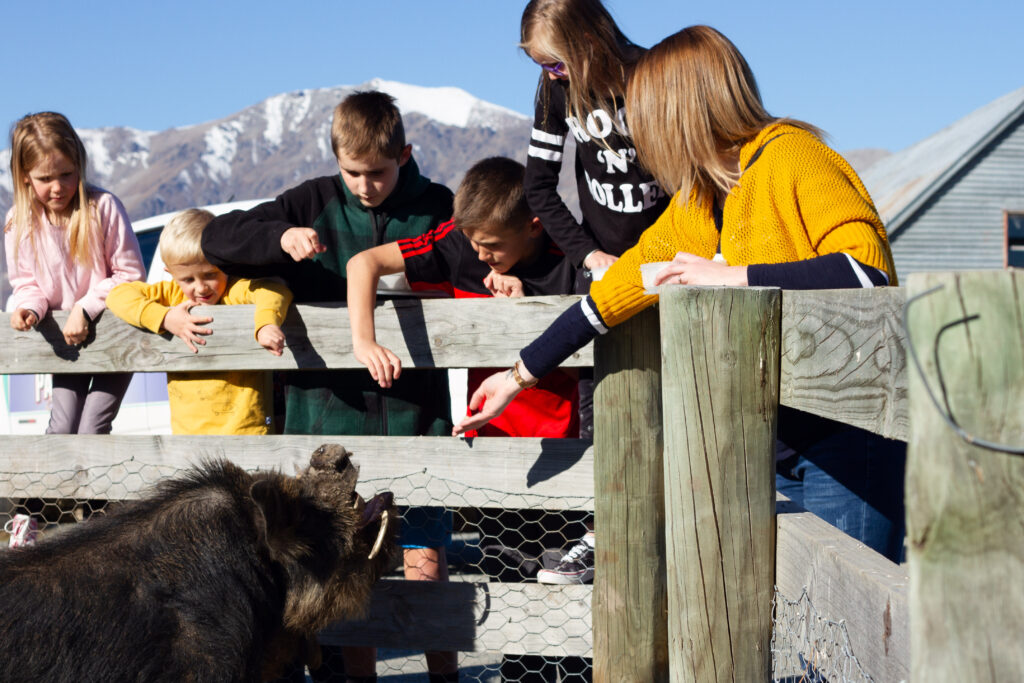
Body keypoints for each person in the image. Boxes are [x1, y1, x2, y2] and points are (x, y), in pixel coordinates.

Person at [454, 25, 906, 565]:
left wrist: (732, 278)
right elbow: (611, 297)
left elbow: (866, 274)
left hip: (845, 443)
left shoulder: (794, 159)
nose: (638, 136)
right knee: (795, 633)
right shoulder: (699, 201)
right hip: (772, 441)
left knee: (845, 629)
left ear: (683, 111)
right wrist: (516, 377)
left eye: (645, 117)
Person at [201, 91, 455, 683]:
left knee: (426, 561)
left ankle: (447, 674)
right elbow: (219, 238)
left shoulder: (439, 204)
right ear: (336, 160)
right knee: (349, 568)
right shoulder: (310, 201)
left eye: (380, 172)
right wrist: (281, 238)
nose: (365, 185)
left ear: (406, 155)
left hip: (418, 416)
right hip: (332, 423)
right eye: (353, 173)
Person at [348, 156, 583, 683]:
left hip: (568, 452)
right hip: (495, 451)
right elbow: (363, 264)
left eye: (494, 248)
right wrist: (363, 340)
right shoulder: (461, 242)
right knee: (509, 590)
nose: (480, 256)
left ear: (534, 225)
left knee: (568, 600)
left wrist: (534, 307)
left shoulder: (573, 255)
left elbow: (597, 311)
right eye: (473, 244)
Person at [520, 0, 672, 589]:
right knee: (606, 414)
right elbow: (538, 186)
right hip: (603, 278)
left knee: (675, 404)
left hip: (670, 268)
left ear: (590, 37)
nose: (551, 76)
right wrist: (588, 255)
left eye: (558, 64)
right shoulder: (553, 93)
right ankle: (609, 535)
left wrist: (661, 258)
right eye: (542, 67)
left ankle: (672, 538)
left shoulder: (653, 74)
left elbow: (689, 178)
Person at [4, 111, 145, 434]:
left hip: (115, 335)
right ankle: (60, 487)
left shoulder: (102, 207)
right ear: (25, 176)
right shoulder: (19, 221)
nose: (58, 187)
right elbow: (26, 282)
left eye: (67, 174)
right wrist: (29, 308)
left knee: (92, 428)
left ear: (79, 165)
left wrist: (84, 307)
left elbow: (130, 274)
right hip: (67, 343)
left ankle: (93, 487)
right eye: (44, 179)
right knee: (62, 428)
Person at [106, 209, 292, 434]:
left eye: (210, 275)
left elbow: (273, 290)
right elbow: (118, 295)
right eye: (188, 279)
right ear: (171, 274)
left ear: (225, 264)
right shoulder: (172, 295)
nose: (201, 287)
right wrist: (165, 317)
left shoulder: (233, 292)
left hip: (246, 431)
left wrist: (266, 323)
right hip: (188, 436)